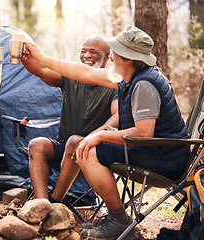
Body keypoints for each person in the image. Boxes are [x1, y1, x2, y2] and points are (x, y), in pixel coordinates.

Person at [23, 25, 190, 239]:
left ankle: (119, 221)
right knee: (87, 146)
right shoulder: (131, 76)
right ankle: (111, 217)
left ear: (128, 58)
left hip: (166, 159)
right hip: (156, 151)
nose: (110, 56)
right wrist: (42, 59)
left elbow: (143, 133)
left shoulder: (144, 84)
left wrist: (100, 134)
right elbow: (86, 73)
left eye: (115, 51)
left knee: (88, 150)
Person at [21, 36, 118, 205]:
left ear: (107, 56)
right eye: (83, 51)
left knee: (75, 141)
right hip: (65, 146)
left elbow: (117, 116)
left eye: (93, 52)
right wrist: (25, 58)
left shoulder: (113, 83)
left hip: (95, 152)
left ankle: (56, 202)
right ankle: (41, 205)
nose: (87, 55)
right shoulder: (71, 77)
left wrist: (93, 136)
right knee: (37, 145)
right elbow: (40, 71)